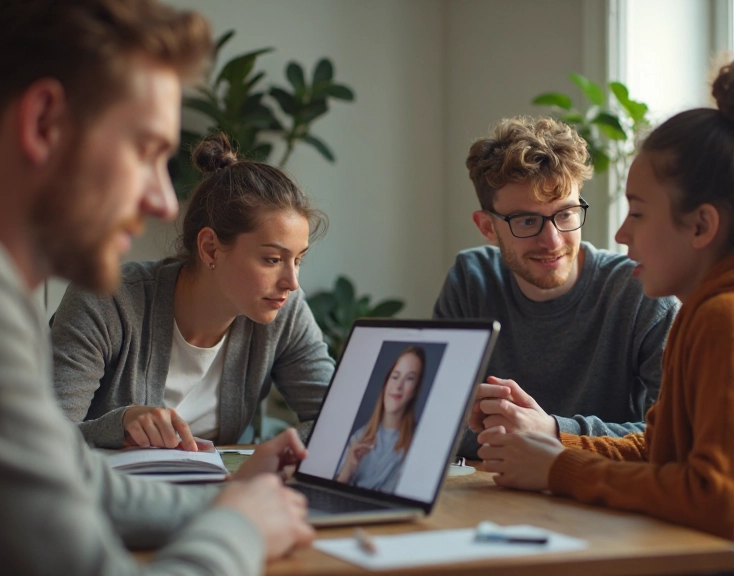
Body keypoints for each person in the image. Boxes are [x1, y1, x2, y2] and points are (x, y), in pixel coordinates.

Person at [0, 1, 316, 574]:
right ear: (44, 123)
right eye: (146, 151)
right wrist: (240, 529)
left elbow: (76, 476)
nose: (162, 202)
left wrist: (228, 502)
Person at [477, 56, 734, 576]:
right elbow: (664, 451)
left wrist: (561, 468)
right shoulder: (715, 307)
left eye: (638, 211)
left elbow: (718, 502)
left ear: (701, 226)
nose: (621, 233)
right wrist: (554, 444)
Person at [50, 131, 334, 451]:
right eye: (272, 259)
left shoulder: (286, 311)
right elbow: (42, 439)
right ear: (210, 248)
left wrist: (273, 449)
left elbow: (341, 422)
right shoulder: (106, 301)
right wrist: (120, 425)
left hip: (224, 483)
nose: (292, 282)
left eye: (298, 260)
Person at [434, 116, 678, 459]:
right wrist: (518, 431)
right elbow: (432, 421)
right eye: (527, 221)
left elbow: (673, 435)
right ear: (487, 227)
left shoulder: (638, 292)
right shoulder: (471, 281)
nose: (552, 241)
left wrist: (551, 430)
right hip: (490, 484)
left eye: (565, 214)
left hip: (597, 487)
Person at [334, 346, 425, 491]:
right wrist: (347, 471)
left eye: (409, 378)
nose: (398, 386)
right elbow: (333, 492)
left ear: (415, 390)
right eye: (395, 376)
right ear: (386, 382)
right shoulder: (359, 437)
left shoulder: (418, 445)